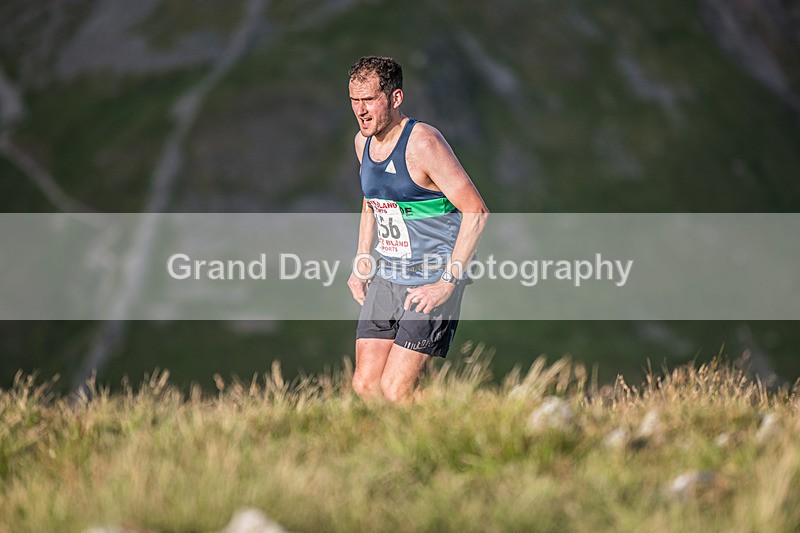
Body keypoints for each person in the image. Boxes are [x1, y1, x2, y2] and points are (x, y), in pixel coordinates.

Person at [346, 56, 489, 403]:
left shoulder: (423, 143)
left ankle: (450, 429)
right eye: (354, 100)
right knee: (365, 386)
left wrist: (447, 283)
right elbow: (372, 199)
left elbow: (477, 212)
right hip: (387, 275)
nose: (361, 111)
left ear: (395, 98)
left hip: (431, 278)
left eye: (369, 100)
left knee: (396, 391)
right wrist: (362, 258)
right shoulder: (362, 143)